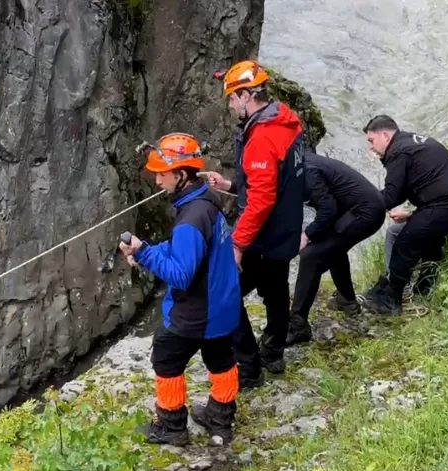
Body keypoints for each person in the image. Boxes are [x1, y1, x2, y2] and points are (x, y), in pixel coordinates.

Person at [120, 133, 241, 446]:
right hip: (223, 303)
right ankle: (220, 417)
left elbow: (180, 275)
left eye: (163, 174)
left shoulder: (190, 218)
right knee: (220, 357)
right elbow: (186, 251)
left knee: (166, 358)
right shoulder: (206, 200)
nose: (158, 181)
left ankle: (172, 427)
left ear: (182, 175)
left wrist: (144, 254)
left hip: (199, 309)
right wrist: (148, 248)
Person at [206, 60, 306, 388]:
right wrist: (232, 186)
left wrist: (236, 244)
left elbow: (262, 200)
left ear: (248, 95)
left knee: (223, 289)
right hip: (287, 227)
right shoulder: (285, 121)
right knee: (276, 289)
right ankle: (274, 351)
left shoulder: (261, 137)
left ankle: (247, 367)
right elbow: (270, 182)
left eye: (233, 98)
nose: (230, 105)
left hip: (266, 234)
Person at [361, 115, 448, 316]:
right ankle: (425, 284)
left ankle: (391, 300)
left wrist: (361, 203)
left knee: (406, 241)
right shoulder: (408, 142)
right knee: (421, 231)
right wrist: (410, 214)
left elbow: (391, 196)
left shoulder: (398, 152)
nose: (370, 147)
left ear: (385, 136)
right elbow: (409, 185)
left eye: (371, 141)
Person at [286, 152, 385, 345]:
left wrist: (306, 235)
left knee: (311, 256)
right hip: (353, 209)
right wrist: (229, 186)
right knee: (333, 248)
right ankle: (348, 302)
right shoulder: (292, 164)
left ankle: (298, 325)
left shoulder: (307, 172)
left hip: (365, 211)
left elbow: (328, 209)